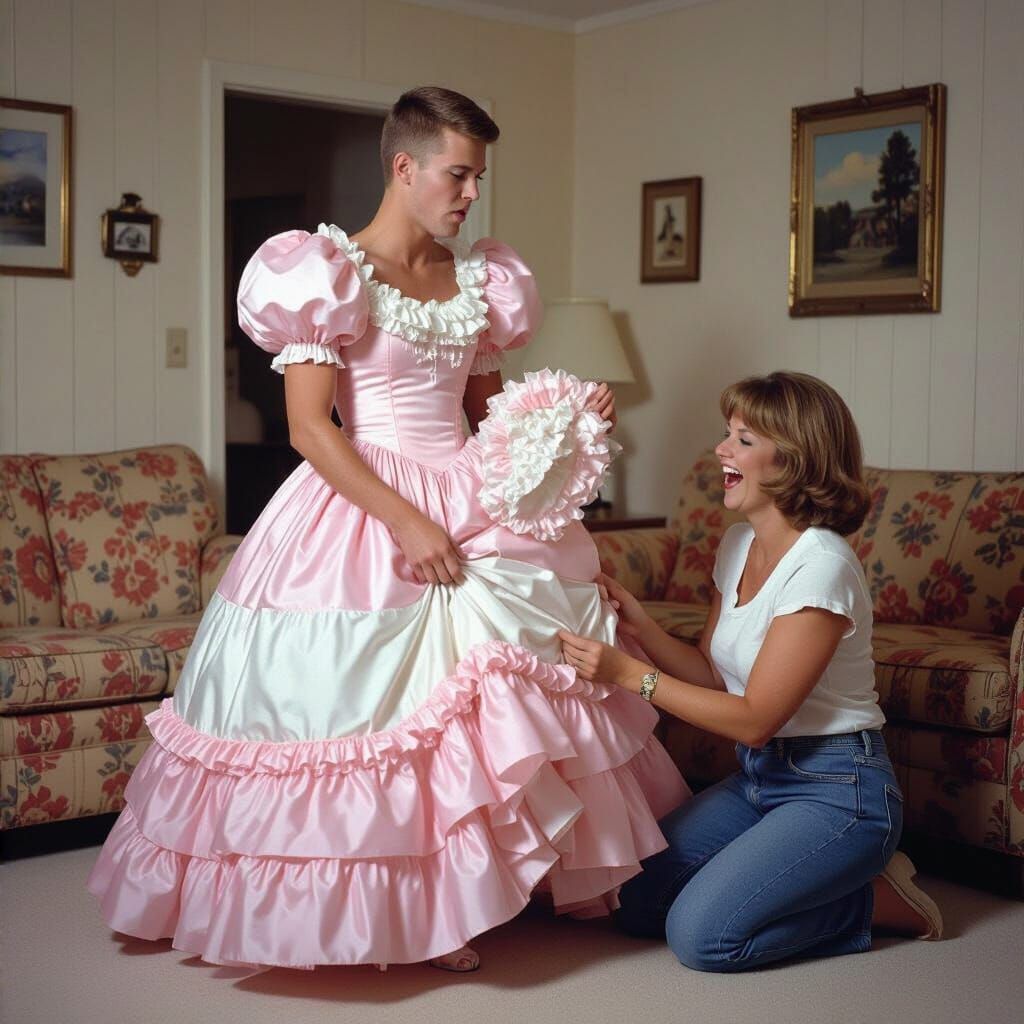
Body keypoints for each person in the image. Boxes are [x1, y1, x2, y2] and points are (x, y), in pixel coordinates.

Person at [88, 86, 687, 973]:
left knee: (484, 696)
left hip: (466, 491)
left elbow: (490, 423)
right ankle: (397, 909)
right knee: (377, 704)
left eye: (479, 176)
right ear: (404, 167)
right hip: (364, 499)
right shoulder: (325, 271)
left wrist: (566, 421)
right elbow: (309, 428)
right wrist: (406, 521)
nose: (471, 192)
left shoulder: (480, 281)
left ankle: (469, 892)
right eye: (458, 173)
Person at [559, 371, 943, 973]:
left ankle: (879, 901)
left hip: (839, 790)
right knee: (633, 901)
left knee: (702, 937)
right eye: (727, 434)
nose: (720, 450)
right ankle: (793, 870)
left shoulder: (822, 567)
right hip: (761, 780)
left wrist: (627, 673)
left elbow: (756, 719)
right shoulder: (737, 544)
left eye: (742, 439)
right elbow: (715, 675)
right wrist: (641, 627)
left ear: (792, 461)